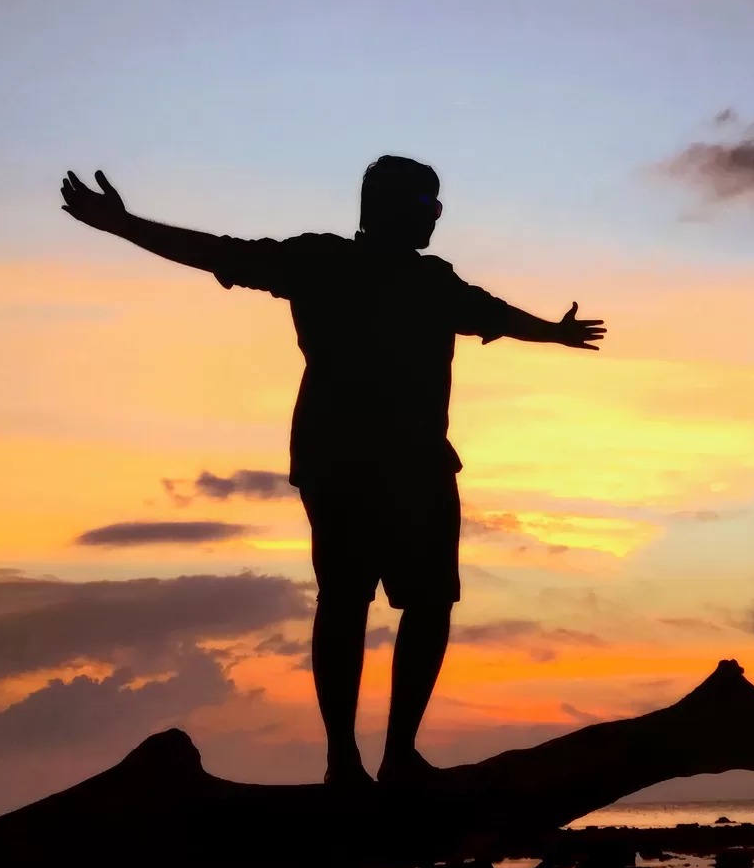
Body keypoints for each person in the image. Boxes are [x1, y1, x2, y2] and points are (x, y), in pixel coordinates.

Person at [60, 157, 604, 787]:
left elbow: (495, 313)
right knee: (351, 604)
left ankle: (395, 757)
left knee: (422, 604)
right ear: (391, 208)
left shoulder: (431, 281)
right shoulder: (321, 262)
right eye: (429, 204)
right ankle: (345, 761)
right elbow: (215, 251)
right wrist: (124, 226)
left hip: (407, 464)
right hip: (348, 464)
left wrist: (554, 333)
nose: (436, 216)